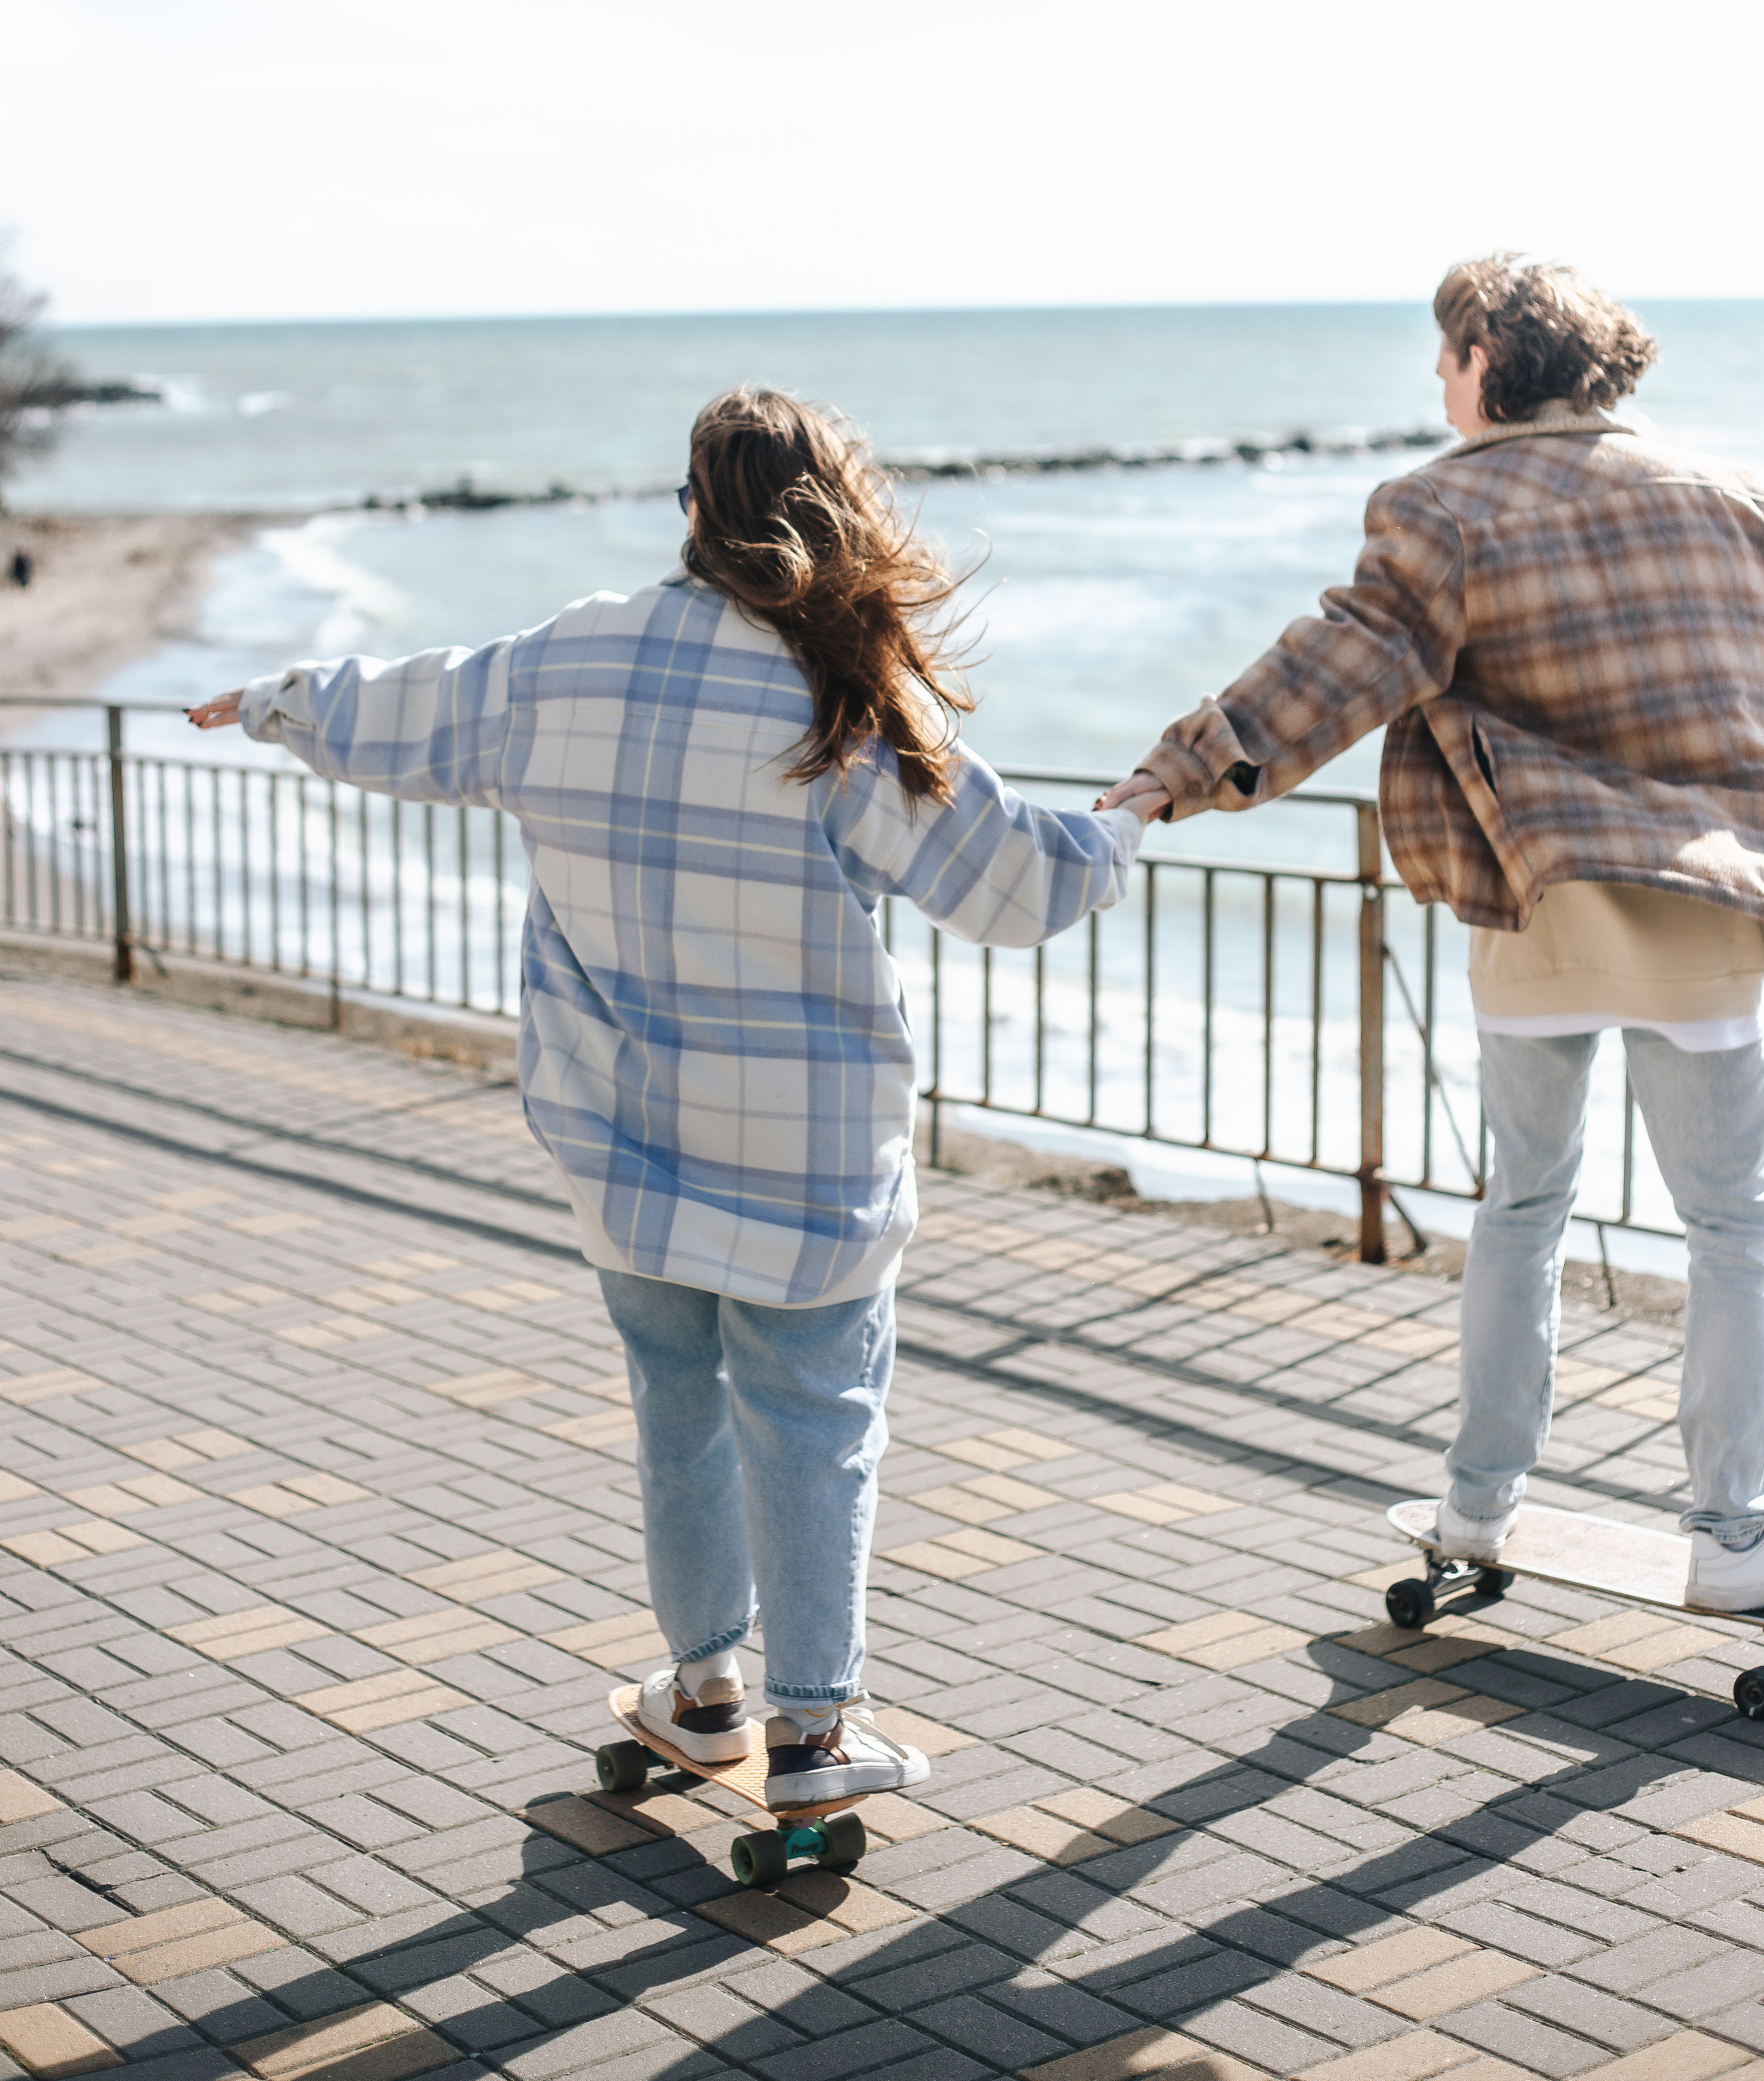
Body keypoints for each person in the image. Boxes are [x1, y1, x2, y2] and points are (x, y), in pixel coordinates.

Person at [189, 387, 1162, 1804]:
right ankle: (813, 1739)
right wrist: (1134, 815)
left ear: (695, 513)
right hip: (803, 1152)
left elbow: (404, 710)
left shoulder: (565, 659)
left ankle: (705, 1692)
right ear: (831, 516)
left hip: (621, 1134)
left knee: (675, 1409)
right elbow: (1015, 885)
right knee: (814, 1419)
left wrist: (273, 702)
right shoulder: (840, 698)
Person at [1098, 254, 1764, 1611]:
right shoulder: (1729, 493)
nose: (1435, 378)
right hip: (1710, 908)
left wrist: (1172, 775)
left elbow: (1334, 665)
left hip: (1541, 907)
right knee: (1730, 1226)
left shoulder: (1438, 506)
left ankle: (1475, 1502)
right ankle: (1733, 1533)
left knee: (1521, 1206)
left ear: (1487, 360)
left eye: (1444, 353)